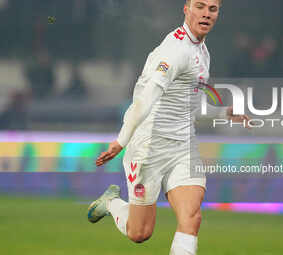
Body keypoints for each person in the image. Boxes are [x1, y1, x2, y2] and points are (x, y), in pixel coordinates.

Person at [88, 1, 249, 254]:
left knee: (192, 218)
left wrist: (224, 112)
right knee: (140, 233)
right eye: (200, 6)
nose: (206, 13)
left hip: (183, 148)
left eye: (213, 8)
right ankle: (111, 203)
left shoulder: (203, 51)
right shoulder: (174, 50)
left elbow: (189, 106)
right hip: (149, 147)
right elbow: (145, 98)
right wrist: (121, 140)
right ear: (186, 9)